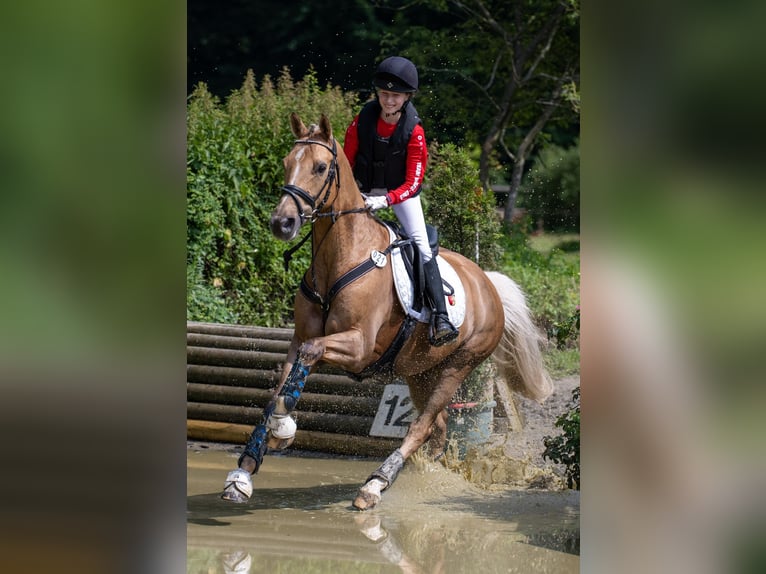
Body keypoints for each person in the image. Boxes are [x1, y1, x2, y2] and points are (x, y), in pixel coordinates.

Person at [343, 56, 458, 346]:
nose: (388, 100)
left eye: (395, 95)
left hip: (400, 195)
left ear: (406, 97)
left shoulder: (414, 132)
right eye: (384, 93)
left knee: (421, 244)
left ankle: (440, 317)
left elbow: (413, 183)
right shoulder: (362, 119)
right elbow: (346, 160)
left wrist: (386, 200)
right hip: (364, 189)